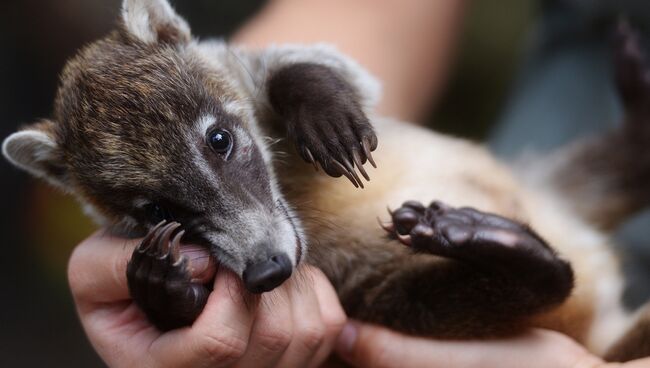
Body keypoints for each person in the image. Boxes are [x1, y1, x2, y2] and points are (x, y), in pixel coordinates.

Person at [68, 0, 650, 366]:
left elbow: (275, 66)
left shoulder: (218, 71)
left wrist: (305, 87)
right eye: (163, 207)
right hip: (507, 304)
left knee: (549, 189)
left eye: (220, 143)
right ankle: (530, 272)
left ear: (170, 30)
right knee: (391, 306)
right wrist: (170, 301)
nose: (261, 254)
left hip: (533, 224)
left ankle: (626, 165)